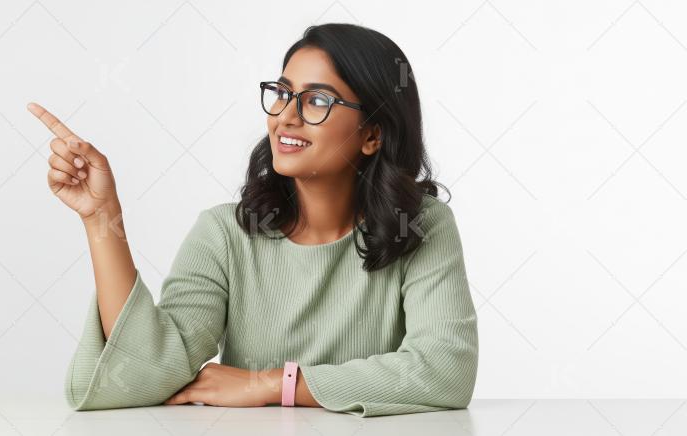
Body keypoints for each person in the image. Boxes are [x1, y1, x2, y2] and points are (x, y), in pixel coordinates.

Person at [28, 22, 478, 418]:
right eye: (283, 94)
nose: (286, 116)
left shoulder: (421, 226)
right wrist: (102, 218)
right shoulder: (223, 234)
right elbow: (143, 376)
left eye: (317, 100)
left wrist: (270, 384)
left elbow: (445, 371)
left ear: (373, 135)